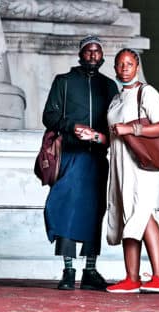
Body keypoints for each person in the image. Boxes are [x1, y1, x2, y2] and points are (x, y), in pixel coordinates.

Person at [42, 36, 119, 290]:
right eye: (89, 51)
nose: (93, 55)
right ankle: (68, 270)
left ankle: (90, 271)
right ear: (81, 54)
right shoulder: (64, 82)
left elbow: (114, 123)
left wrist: (98, 136)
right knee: (65, 210)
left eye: (97, 51)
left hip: (96, 158)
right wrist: (72, 126)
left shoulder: (109, 87)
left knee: (93, 213)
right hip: (70, 156)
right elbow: (49, 116)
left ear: (102, 56)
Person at [105, 48, 159, 293]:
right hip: (120, 164)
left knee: (142, 213)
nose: (124, 68)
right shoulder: (116, 98)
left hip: (141, 164)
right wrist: (96, 136)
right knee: (127, 216)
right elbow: (115, 133)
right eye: (120, 64)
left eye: (129, 63)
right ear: (114, 68)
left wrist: (132, 129)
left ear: (137, 66)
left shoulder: (147, 92)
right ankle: (131, 278)